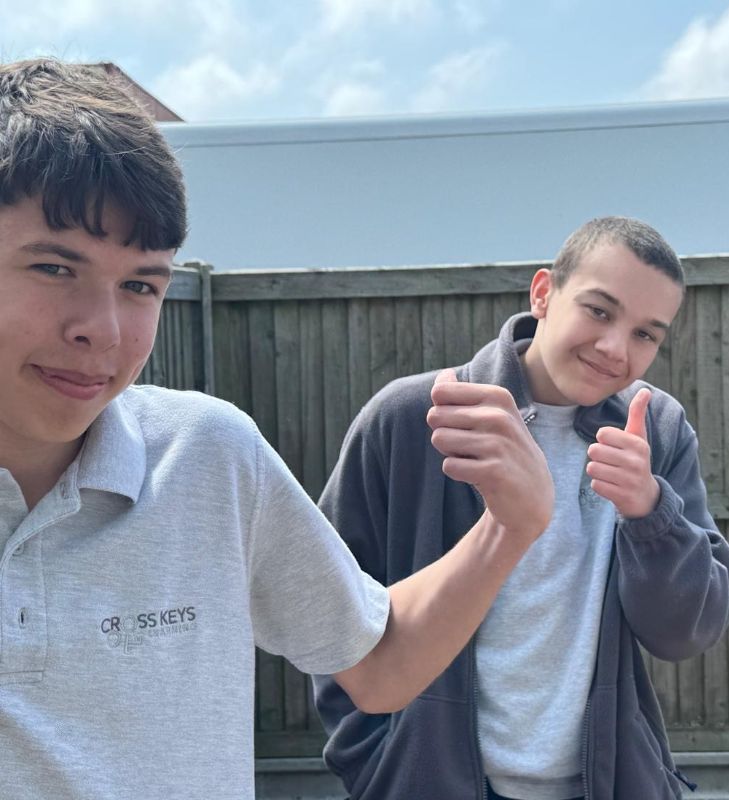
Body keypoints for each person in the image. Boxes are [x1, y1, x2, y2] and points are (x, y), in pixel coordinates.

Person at [0, 59, 557, 800]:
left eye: (139, 284)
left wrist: (510, 527)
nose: (101, 330)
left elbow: (379, 666)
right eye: (53, 268)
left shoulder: (210, 458)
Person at [313, 216, 729, 799]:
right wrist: (382, 765)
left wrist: (650, 511)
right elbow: (327, 608)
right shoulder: (413, 418)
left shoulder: (656, 432)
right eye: (599, 311)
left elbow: (687, 633)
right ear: (543, 293)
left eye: (645, 334)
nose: (615, 348)